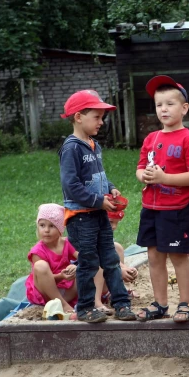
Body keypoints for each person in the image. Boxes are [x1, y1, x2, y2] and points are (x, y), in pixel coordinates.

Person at [59, 90, 136, 323]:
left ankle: (121, 304)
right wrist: (97, 200)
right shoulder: (71, 148)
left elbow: (99, 176)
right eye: (97, 116)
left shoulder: (94, 145)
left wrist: (110, 189)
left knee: (111, 259)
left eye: (103, 117)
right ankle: (84, 308)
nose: (102, 122)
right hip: (82, 217)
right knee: (89, 262)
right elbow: (70, 185)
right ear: (78, 116)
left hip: (99, 212)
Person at [135, 75, 189, 323]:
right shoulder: (151, 139)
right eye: (158, 104)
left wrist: (164, 177)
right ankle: (160, 303)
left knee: (178, 256)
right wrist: (145, 176)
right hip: (151, 208)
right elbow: (140, 167)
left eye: (169, 104)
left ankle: (186, 303)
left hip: (177, 208)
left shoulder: (188, 139)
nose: (163, 109)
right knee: (154, 256)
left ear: (184, 108)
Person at [25, 204, 78, 315]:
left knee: (88, 264)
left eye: (52, 226)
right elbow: (44, 278)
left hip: (68, 289)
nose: (46, 230)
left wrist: (76, 266)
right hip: (47, 292)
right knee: (40, 266)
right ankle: (62, 304)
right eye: (42, 225)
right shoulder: (38, 251)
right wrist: (61, 276)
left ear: (60, 228)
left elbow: (84, 258)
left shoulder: (67, 243)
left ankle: (70, 302)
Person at [93, 209, 140, 313]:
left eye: (116, 223)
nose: (114, 227)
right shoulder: (91, 237)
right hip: (90, 283)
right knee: (99, 265)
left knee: (117, 247)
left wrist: (125, 268)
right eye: (110, 222)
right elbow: (102, 257)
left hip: (104, 274)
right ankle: (96, 301)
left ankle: (117, 289)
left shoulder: (105, 236)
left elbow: (111, 255)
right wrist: (119, 270)